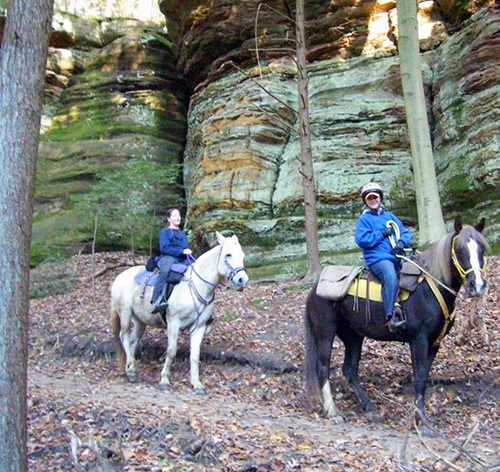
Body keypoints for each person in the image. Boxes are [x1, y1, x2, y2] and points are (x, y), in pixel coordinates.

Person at [354, 183, 412, 331]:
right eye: (369, 198)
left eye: (375, 197)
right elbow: (362, 240)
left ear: (380, 198)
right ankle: (391, 318)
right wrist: (381, 234)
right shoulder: (364, 220)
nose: (373, 200)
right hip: (377, 259)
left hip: (396, 256)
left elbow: (405, 233)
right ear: (365, 201)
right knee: (390, 276)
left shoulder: (390, 216)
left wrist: (400, 243)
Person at [151, 208, 192, 313]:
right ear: (169, 219)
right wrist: (182, 252)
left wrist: (186, 252)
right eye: (174, 216)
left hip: (182, 259)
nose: (178, 218)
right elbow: (164, 248)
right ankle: (156, 300)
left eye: (179, 215)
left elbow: (185, 247)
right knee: (165, 272)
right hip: (168, 257)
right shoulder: (165, 232)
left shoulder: (182, 234)